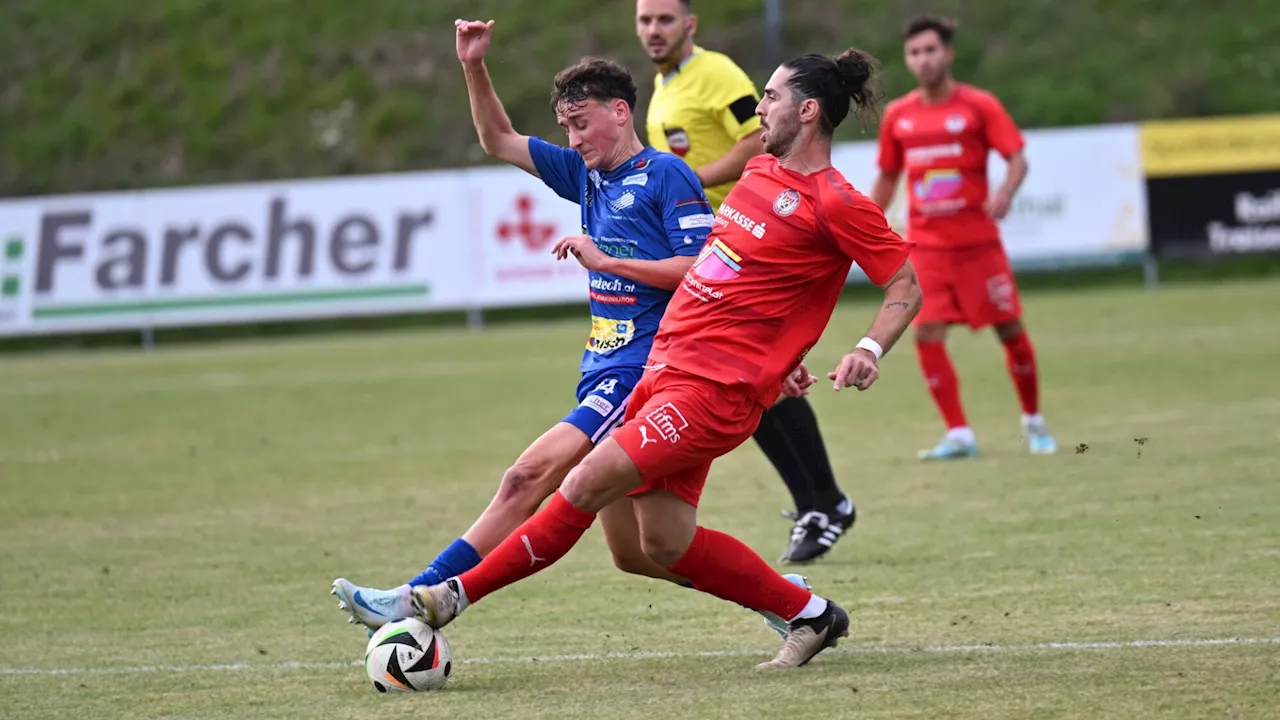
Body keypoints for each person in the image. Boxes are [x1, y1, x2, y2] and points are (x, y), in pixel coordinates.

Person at [408, 45, 922, 671]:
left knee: (585, 481)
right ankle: (810, 616)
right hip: (665, 368)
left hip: (713, 391)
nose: (759, 107)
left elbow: (905, 285)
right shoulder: (759, 173)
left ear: (808, 111)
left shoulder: (835, 201)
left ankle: (448, 597)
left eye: (771, 96)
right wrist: (783, 352)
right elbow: (729, 271)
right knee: (657, 545)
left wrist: (868, 349)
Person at [331, 18, 806, 641]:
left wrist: (610, 261)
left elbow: (697, 268)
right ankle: (787, 602)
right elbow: (497, 138)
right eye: (566, 128)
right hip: (601, 371)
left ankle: (418, 595)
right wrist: (474, 65)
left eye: (582, 123)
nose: (574, 137)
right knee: (638, 552)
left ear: (619, 112)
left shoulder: (666, 176)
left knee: (526, 477)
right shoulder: (585, 175)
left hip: (646, 373)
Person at [636, 0, 855, 565]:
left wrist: (687, 179)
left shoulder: (717, 74)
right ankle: (820, 501)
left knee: (748, 382)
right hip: (705, 249)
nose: (652, 30)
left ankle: (823, 500)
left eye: (664, 19)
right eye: (644, 20)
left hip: (744, 239)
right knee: (737, 384)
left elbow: (759, 138)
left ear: (690, 24)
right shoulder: (667, 85)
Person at [870, 15, 1057, 461]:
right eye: (915, 53)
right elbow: (888, 177)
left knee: (1010, 327)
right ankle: (959, 434)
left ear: (948, 54)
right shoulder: (899, 115)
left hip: (979, 245)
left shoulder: (978, 105)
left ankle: (1033, 421)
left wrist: (1005, 193)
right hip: (929, 247)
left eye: (931, 50)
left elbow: (1017, 159)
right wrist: (868, 222)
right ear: (907, 59)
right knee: (927, 332)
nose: (924, 59)